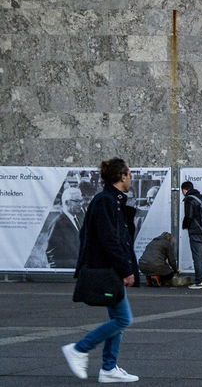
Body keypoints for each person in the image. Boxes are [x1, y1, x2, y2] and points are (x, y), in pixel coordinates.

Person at [61, 158, 140, 383]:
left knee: (118, 319)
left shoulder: (110, 201)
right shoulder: (105, 201)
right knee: (123, 319)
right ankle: (79, 349)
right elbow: (109, 240)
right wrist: (126, 269)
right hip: (109, 270)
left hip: (110, 269)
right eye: (129, 174)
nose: (130, 178)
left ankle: (108, 368)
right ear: (122, 176)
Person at [181, 181, 202, 289]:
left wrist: (185, 225)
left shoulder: (189, 199)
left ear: (184, 190)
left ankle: (199, 282)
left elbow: (188, 216)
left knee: (197, 257)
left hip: (196, 233)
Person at [46, 185, 86, 268]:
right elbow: (52, 257)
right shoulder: (57, 224)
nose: (80, 204)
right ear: (67, 202)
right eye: (77, 201)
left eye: (81, 201)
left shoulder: (79, 218)